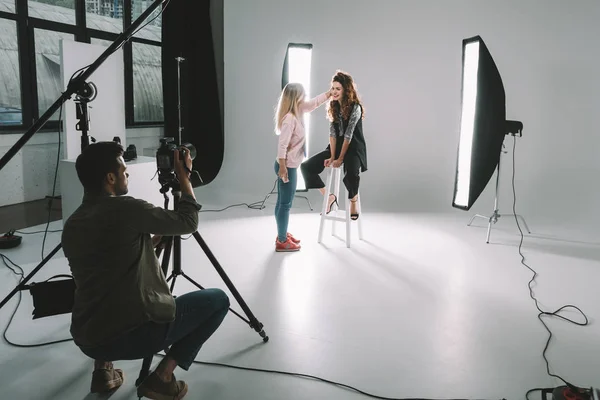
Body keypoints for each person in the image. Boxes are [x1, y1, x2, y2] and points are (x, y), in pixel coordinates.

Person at [61, 141, 230, 400]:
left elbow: (106, 266)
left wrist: (148, 244)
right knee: (219, 300)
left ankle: (103, 372)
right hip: (133, 337)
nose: (126, 173)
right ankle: (162, 378)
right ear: (110, 177)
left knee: (101, 294)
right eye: (123, 169)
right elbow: (188, 222)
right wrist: (184, 177)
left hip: (88, 339)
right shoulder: (127, 208)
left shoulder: (72, 223)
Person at [300, 70, 367, 220]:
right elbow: (333, 134)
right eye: (333, 88)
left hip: (354, 148)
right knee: (307, 167)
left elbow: (348, 136)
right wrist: (332, 155)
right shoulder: (333, 106)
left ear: (346, 90)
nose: (334, 92)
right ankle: (329, 197)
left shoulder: (355, 107)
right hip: (337, 147)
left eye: (338, 89)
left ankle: (353, 200)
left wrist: (340, 158)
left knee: (352, 172)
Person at [274, 82, 332, 251]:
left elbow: (314, 103)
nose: (306, 96)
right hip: (287, 167)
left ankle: (282, 234)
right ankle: (282, 241)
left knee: (283, 202)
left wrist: (329, 93)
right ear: (296, 97)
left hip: (290, 166)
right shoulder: (289, 119)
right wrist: (283, 169)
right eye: (303, 94)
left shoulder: (298, 111)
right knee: (285, 204)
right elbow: (282, 146)